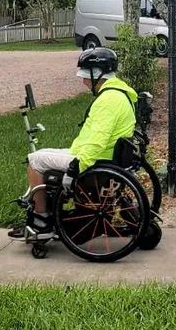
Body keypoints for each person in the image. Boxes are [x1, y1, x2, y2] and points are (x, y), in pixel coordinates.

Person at [8, 47, 138, 239]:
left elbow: (98, 140)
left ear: (97, 74)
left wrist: (75, 168)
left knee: (34, 160)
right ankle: (49, 209)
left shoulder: (107, 101)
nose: (84, 81)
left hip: (92, 160)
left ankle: (41, 219)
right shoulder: (121, 94)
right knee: (44, 154)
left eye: (86, 76)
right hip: (104, 157)